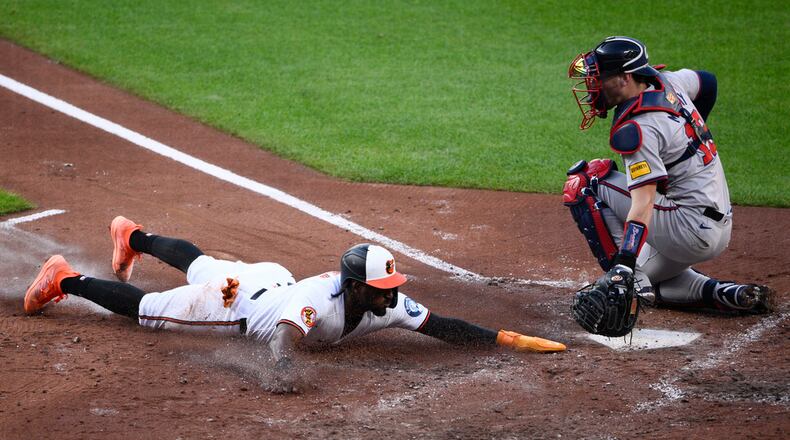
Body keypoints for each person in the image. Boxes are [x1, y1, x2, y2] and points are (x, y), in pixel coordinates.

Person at [24, 216, 566, 393]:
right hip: (230, 308)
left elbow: (440, 325)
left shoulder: (384, 303)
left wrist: (505, 339)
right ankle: (65, 279)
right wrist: (280, 368)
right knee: (149, 308)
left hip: (266, 279)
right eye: (384, 288)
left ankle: (134, 238)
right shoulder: (317, 300)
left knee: (204, 259)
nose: (394, 295)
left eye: (393, 286)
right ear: (356, 287)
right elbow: (286, 333)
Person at [563, 36, 774, 336]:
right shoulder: (670, 82)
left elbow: (643, 203)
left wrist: (624, 264)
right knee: (656, 272)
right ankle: (715, 292)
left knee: (586, 181)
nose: (593, 87)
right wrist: (688, 140)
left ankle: (628, 281)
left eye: (600, 79)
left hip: (687, 229)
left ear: (624, 79)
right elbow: (708, 82)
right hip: (719, 224)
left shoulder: (638, 128)